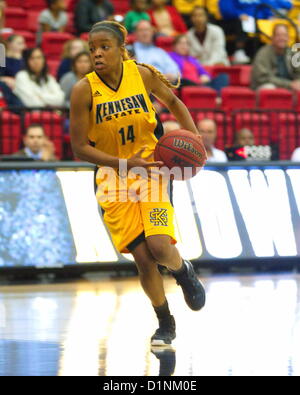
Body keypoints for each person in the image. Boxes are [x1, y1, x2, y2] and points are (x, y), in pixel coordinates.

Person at [70, 21, 206, 346]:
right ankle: (165, 322)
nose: (97, 54)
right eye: (92, 49)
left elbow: (174, 104)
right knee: (143, 259)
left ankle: (183, 270)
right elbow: (79, 148)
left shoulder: (142, 75)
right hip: (111, 179)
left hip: (152, 171)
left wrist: (195, 140)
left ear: (122, 49)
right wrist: (124, 163)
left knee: (160, 247)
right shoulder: (83, 90)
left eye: (104, 47)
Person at [251, 24, 300, 90]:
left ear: (288, 38)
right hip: (265, 86)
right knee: (270, 88)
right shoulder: (263, 53)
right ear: (272, 37)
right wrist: (289, 84)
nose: (282, 38)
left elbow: (298, 72)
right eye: (278, 35)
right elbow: (263, 78)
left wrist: (297, 82)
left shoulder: (292, 53)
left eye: (284, 35)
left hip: (288, 86)